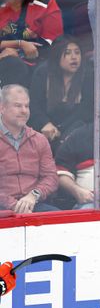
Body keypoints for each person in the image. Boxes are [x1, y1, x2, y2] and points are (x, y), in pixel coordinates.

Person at [0, 0, 64, 89]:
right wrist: (19, 44)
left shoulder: (45, 3)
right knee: (12, 64)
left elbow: (55, 43)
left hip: (37, 63)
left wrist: (17, 51)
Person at [28, 36, 94, 151]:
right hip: (45, 129)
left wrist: (62, 129)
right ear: (57, 56)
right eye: (67, 53)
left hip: (75, 129)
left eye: (77, 53)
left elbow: (87, 110)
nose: (74, 57)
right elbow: (34, 105)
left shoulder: (88, 75)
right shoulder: (43, 73)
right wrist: (44, 123)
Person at [0, 85, 59, 213]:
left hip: (34, 204)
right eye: (18, 106)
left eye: (26, 106)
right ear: (2, 108)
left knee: (62, 223)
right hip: (2, 207)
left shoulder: (39, 139)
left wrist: (34, 194)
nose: (24, 111)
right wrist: (12, 204)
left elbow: (51, 177)